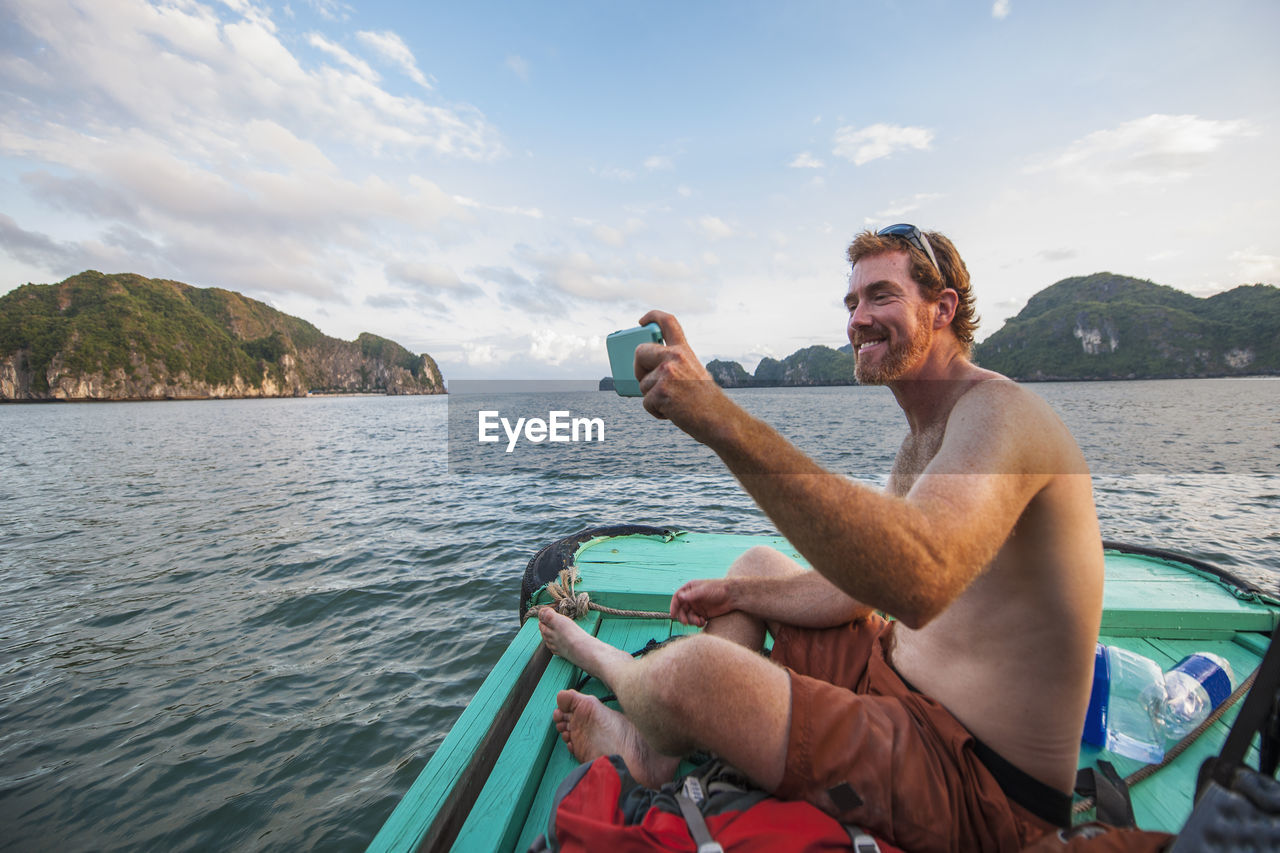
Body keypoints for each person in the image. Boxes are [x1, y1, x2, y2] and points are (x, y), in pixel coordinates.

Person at [537, 225, 1104, 852]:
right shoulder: (925, 434)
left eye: (881, 296)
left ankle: (625, 699)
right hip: (891, 680)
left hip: (975, 781)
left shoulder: (1003, 414)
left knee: (697, 674)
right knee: (753, 569)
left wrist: (717, 417)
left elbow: (919, 576)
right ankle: (663, 748)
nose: (859, 319)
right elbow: (857, 594)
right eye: (852, 303)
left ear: (941, 309)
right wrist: (738, 594)